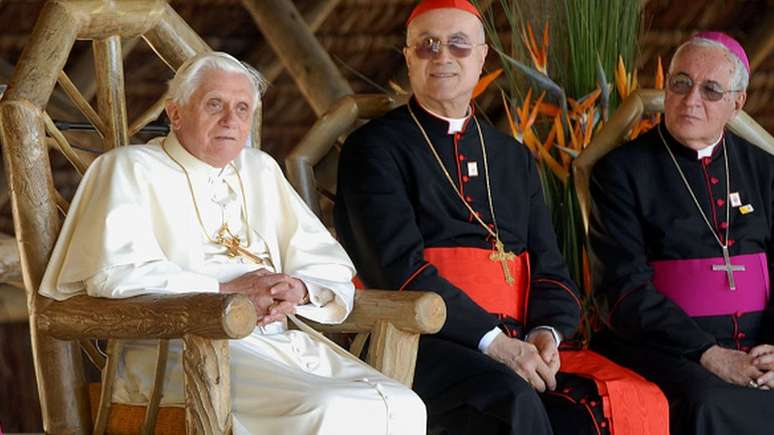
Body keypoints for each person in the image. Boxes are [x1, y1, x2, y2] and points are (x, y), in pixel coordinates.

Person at [39, 51, 426, 435]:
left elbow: (327, 261)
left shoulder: (260, 169)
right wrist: (225, 292)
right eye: (214, 105)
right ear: (175, 114)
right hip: (175, 352)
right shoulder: (128, 169)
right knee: (328, 407)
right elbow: (113, 275)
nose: (230, 120)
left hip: (277, 344)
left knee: (404, 406)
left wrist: (300, 288)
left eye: (243, 108)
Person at [334, 1, 666, 434]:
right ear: (407, 57)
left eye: (458, 45)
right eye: (427, 46)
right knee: (510, 400)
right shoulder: (373, 149)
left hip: (518, 342)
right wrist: (494, 343)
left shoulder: (513, 157)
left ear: (482, 56)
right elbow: (399, 271)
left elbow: (551, 269)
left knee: (616, 403)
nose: (443, 57)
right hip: (420, 341)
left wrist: (546, 332)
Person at [589, 32, 774, 434]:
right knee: (712, 403)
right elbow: (622, 290)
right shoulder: (620, 173)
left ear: (736, 102)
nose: (691, 100)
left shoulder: (764, 169)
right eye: (681, 83)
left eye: (710, 90)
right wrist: (708, 352)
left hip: (761, 347)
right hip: (667, 348)